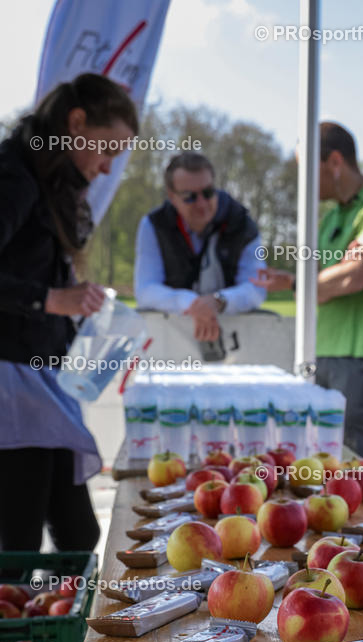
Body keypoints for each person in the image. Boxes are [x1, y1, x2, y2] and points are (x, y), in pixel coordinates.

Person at [0, 73, 138, 553]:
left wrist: (81, 308)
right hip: (12, 388)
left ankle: (60, 624)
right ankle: (23, 627)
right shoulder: (13, 173)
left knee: (79, 534)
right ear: (76, 122)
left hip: (42, 379)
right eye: (107, 150)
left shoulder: (46, 180)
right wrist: (50, 299)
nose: (106, 168)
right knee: (18, 543)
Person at [253, 123, 363, 470]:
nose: (304, 183)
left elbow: (354, 276)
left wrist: (304, 283)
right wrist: (324, 279)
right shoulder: (330, 219)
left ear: (335, 161)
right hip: (322, 355)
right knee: (320, 469)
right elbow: (326, 287)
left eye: (307, 170)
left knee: (359, 472)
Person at [134, 153, 267, 347]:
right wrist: (190, 303)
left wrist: (219, 301)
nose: (202, 204)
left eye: (208, 192)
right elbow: (145, 289)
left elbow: (256, 286)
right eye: (189, 197)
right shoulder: (154, 225)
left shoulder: (242, 224)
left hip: (235, 343)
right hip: (171, 342)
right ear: (172, 196)